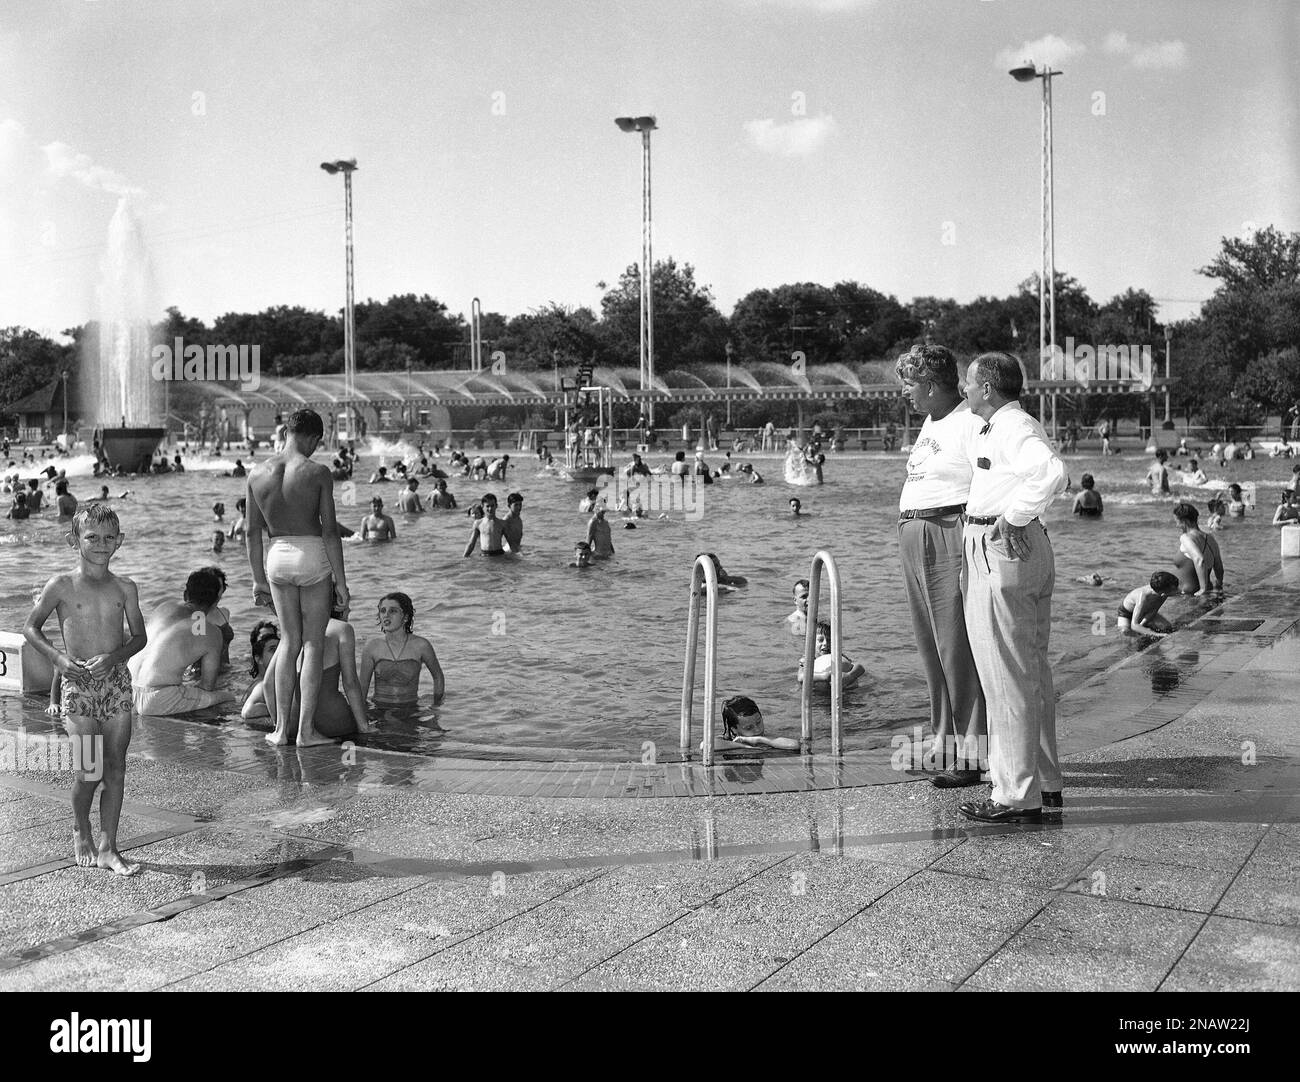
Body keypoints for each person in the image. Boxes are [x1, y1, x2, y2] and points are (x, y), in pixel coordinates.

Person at [958, 352, 1068, 823]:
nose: (963, 390)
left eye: (968, 383)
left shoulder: (1012, 426)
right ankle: (1043, 782)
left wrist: (1011, 516)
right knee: (1029, 672)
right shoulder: (1003, 425)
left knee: (1005, 676)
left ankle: (1014, 795)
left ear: (987, 388)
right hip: (1021, 547)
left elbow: (1052, 473)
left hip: (1001, 547)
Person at [23, 503, 148, 875]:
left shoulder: (125, 588)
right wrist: (59, 660)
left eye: (109, 538)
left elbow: (140, 637)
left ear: (120, 542)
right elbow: (32, 628)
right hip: (77, 689)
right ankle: (81, 827)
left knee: (116, 767)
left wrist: (114, 657)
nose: (101, 544)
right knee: (89, 772)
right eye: (91, 536)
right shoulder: (60, 586)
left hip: (116, 686)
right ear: (73, 540)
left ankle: (110, 847)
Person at [894, 343, 987, 786]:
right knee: (931, 649)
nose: (906, 393)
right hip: (915, 534)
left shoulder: (971, 421)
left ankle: (972, 753)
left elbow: (991, 480)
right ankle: (943, 742)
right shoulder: (932, 421)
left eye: (910, 385)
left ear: (931, 385)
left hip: (948, 531)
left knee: (957, 648)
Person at [245, 407, 349, 748]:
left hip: (276, 556)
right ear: (313, 437)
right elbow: (331, 531)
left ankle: (279, 729)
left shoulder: (256, 473)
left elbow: (251, 532)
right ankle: (306, 732)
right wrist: (342, 583)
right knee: (313, 643)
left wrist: (258, 579)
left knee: (288, 642)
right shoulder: (318, 472)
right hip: (310, 554)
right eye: (318, 441)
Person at [261, 592, 371, 740]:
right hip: (333, 723)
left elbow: (268, 683)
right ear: (338, 604)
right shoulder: (342, 629)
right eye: (347, 605)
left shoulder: (292, 632)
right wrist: (364, 727)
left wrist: (280, 725)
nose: (349, 610)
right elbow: (350, 683)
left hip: (293, 725)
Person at [129, 568, 235, 716]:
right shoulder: (211, 631)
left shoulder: (164, 608)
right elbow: (207, 686)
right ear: (215, 601)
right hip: (156, 700)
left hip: (127, 691)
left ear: (186, 594)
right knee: (228, 697)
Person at [359, 592, 445, 710]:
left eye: (393, 611)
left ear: (405, 617)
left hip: (411, 709)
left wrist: (435, 707)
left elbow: (438, 677)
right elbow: (362, 688)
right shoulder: (372, 647)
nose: (386, 615)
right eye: (383, 611)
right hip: (380, 709)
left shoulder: (421, 645)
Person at [1170, 501, 1224, 597]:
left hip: (1190, 595)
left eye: (1177, 521)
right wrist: (1219, 585)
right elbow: (1219, 567)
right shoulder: (1210, 538)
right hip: (1206, 592)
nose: (1176, 525)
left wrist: (1203, 589)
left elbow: (1199, 559)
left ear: (1184, 521)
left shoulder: (1185, 537)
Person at [709, 695, 799, 752]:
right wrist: (744, 745)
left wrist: (759, 739)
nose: (757, 729)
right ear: (734, 729)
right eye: (748, 728)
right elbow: (706, 746)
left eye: (759, 722)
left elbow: (795, 745)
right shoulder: (726, 740)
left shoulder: (766, 737)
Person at [797, 621, 866, 688]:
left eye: (829, 640)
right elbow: (801, 677)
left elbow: (860, 668)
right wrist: (824, 676)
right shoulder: (808, 658)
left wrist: (850, 676)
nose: (825, 643)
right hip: (818, 692)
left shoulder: (838, 656)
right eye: (820, 640)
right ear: (812, 642)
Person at [1117, 571, 1180, 636]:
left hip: (1146, 611)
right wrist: (1156, 634)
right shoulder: (1143, 596)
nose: (1178, 590)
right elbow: (1134, 625)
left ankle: (1148, 626)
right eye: (1175, 589)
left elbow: (1153, 611)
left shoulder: (1163, 594)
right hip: (1126, 612)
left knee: (1169, 628)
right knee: (1125, 631)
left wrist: (1142, 625)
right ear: (1163, 593)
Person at [240, 620, 281, 719]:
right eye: (272, 650)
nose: (278, 654)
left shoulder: (266, 681)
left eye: (279, 649)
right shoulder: (261, 685)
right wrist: (286, 709)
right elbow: (249, 711)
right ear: (258, 658)